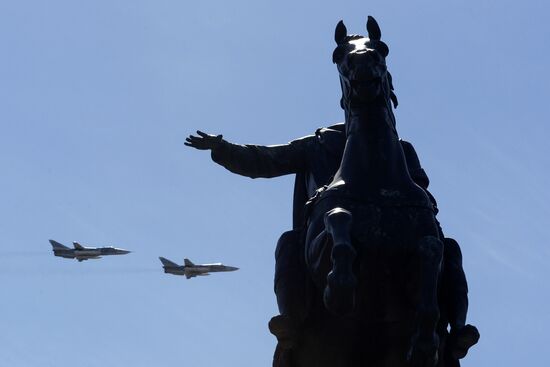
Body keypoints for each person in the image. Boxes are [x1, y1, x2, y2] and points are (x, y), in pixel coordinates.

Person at [185, 125, 478, 365]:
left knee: (447, 248)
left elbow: (421, 189)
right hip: (324, 232)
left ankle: (456, 330)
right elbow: (266, 160)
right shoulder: (318, 144)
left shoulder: (399, 149)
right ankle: (291, 323)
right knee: (288, 243)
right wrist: (222, 149)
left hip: (397, 228)